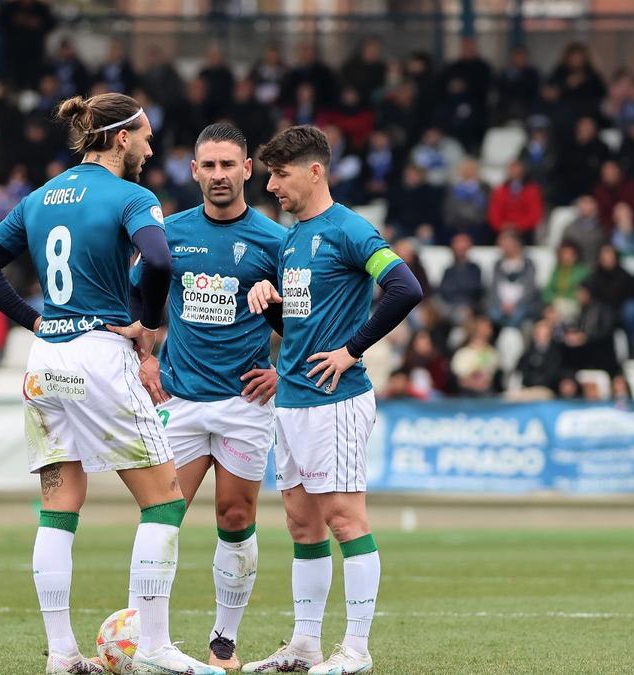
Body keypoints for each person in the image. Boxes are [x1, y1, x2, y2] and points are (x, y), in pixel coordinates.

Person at [0, 92, 225, 675]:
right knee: (163, 501)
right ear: (121, 138)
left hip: (44, 359)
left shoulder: (38, 197)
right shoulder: (133, 197)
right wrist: (149, 326)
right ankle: (153, 646)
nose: (153, 147)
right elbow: (158, 261)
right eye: (147, 136)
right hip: (100, 357)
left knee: (58, 506)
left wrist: (36, 318)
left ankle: (62, 655)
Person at [243, 125, 423, 674]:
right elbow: (299, 324)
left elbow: (405, 287)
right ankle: (304, 646)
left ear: (315, 171)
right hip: (293, 400)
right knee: (302, 525)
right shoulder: (294, 236)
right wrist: (267, 301)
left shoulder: (349, 230)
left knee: (346, 520)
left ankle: (357, 651)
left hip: (335, 399)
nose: (271, 184)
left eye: (280, 174)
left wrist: (351, 350)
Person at [129, 123, 286, 671]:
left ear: (248, 170)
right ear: (193, 171)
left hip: (246, 404)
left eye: (229, 165)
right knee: (162, 512)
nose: (219, 175)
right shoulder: (167, 233)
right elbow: (137, 305)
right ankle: (149, 640)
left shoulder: (275, 241)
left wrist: (282, 373)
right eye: (208, 166)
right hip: (183, 400)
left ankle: (223, 640)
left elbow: (309, 324)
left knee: (236, 516)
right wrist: (146, 358)